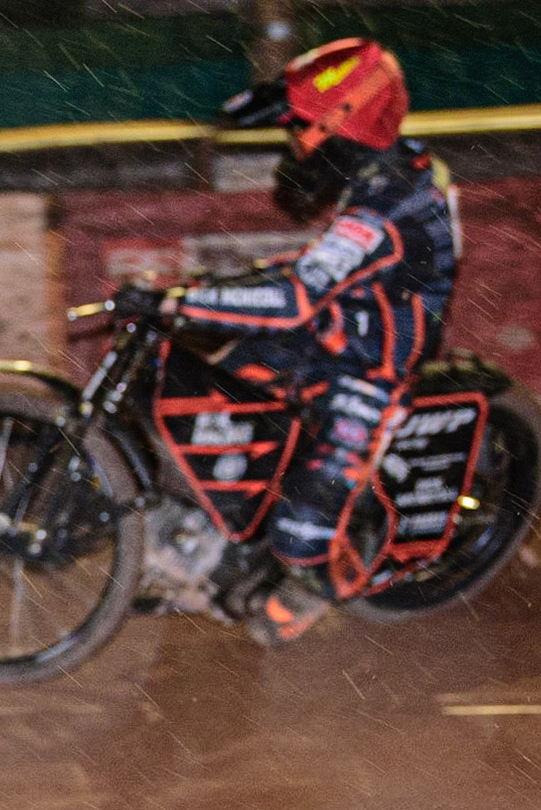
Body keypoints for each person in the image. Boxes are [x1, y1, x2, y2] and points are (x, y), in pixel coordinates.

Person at [118, 38, 458, 644]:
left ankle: (314, 584)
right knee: (183, 366)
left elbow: (296, 297)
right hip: (333, 328)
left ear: (345, 125)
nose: (294, 146)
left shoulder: (382, 206)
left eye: (301, 130)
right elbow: (324, 267)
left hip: (371, 368)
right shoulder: (389, 162)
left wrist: (176, 297)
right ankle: (222, 524)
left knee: (302, 535)